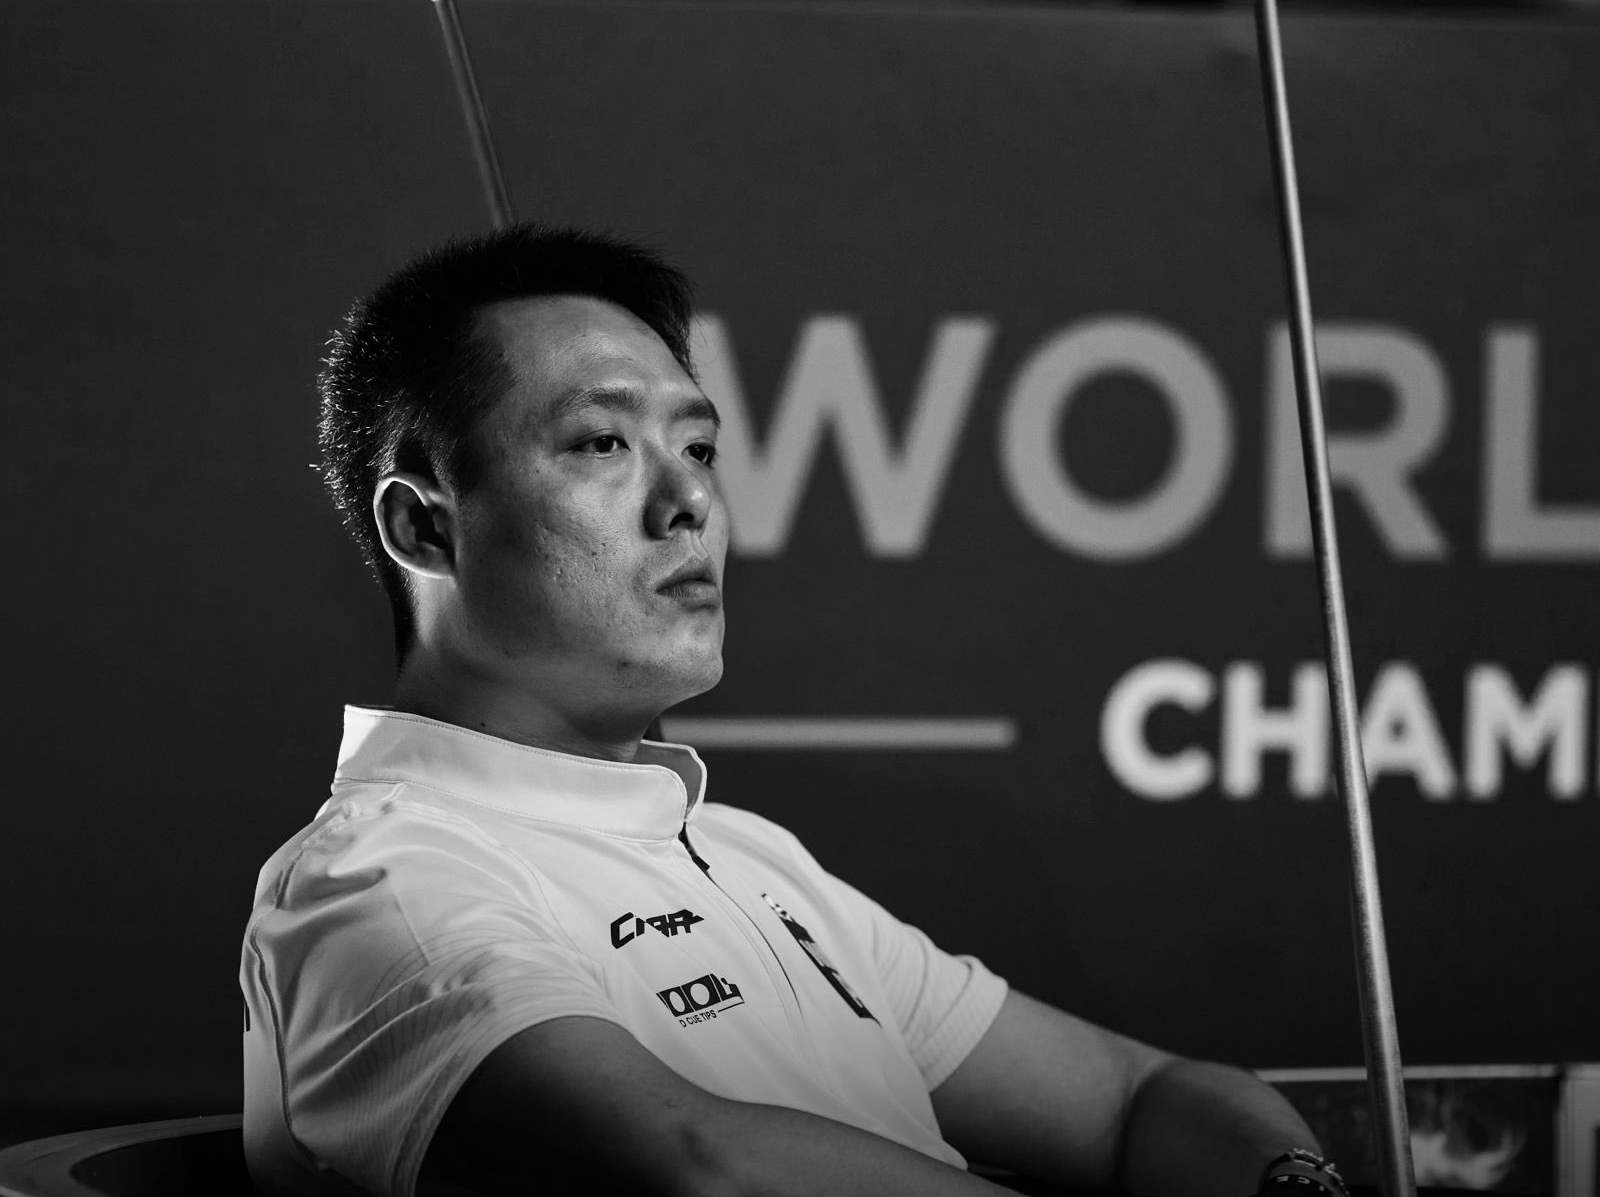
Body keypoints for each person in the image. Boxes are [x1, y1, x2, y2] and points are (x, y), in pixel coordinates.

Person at [241, 224, 1342, 1197]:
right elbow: (698, 1165)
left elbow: (1139, 1100)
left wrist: (1291, 1183)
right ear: (425, 529)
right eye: (601, 443)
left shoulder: (747, 857)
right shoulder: (382, 879)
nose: (691, 501)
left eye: (700, 447)